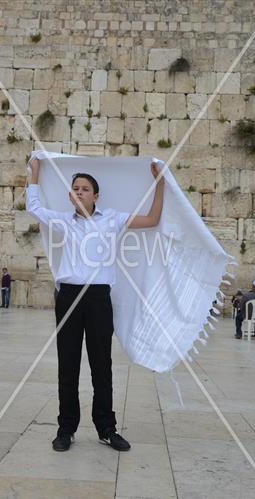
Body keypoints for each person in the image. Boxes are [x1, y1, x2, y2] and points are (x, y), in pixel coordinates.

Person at [27, 157, 165, 452]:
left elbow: (152, 219)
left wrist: (160, 183)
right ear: (70, 195)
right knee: (68, 365)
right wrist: (36, 173)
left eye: (85, 188)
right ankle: (66, 429)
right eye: (75, 188)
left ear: (96, 195)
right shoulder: (64, 221)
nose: (79, 192)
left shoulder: (112, 219)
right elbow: (34, 208)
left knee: (101, 365)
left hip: (99, 298)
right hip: (68, 298)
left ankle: (107, 428)